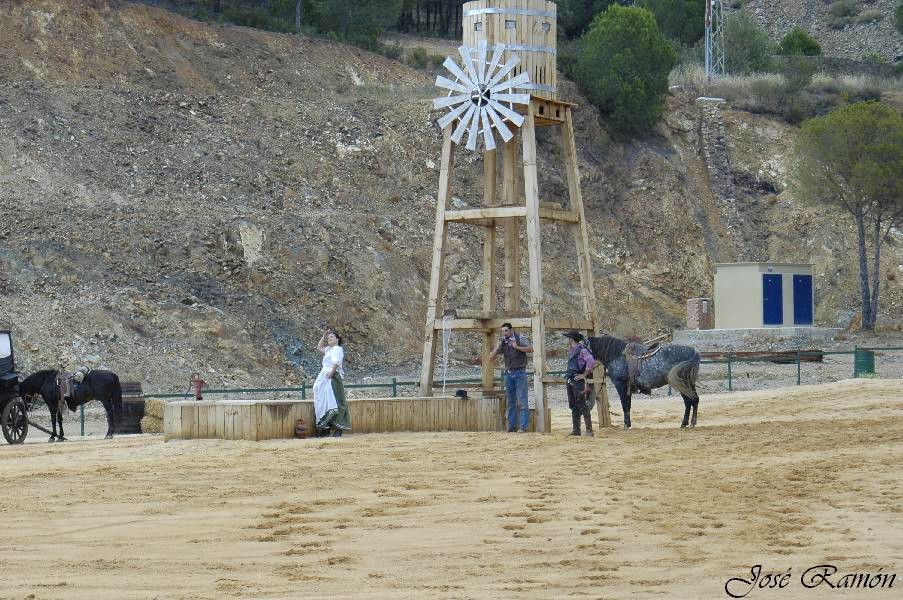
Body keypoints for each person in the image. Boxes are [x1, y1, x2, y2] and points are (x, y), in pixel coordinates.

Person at [489, 322, 533, 433]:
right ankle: (511, 427)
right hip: (509, 373)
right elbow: (491, 357)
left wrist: (517, 347)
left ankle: (523, 427)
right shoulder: (503, 341)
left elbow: (531, 349)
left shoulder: (519, 338)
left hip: (520, 372)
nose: (504, 333)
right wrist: (499, 344)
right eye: (502, 331)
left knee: (522, 400)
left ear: (511, 330)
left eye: (506, 331)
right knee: (511, 401)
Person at [313, 328, 351, 437]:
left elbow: (336, 362)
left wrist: (331, 373)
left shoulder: (337, 349)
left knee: (336, 401)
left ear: (337, 339)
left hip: (332, 376)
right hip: (323, 376)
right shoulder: (329, 349)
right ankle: (326, 427)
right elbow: (319, 347)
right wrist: (324, 336)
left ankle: (339, 428)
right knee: (324, 401)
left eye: (331, 337)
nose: (329, 339)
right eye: (329, 338)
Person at [563, 330, 595, 437]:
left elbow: (591, 361)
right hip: (572, 380)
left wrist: (584, 375)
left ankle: (589, 430)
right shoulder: (574, 350)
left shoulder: (581, 350)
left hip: (577, 381)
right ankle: (576, 430)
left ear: (571, 339)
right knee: (573, 405)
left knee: (582, 405)